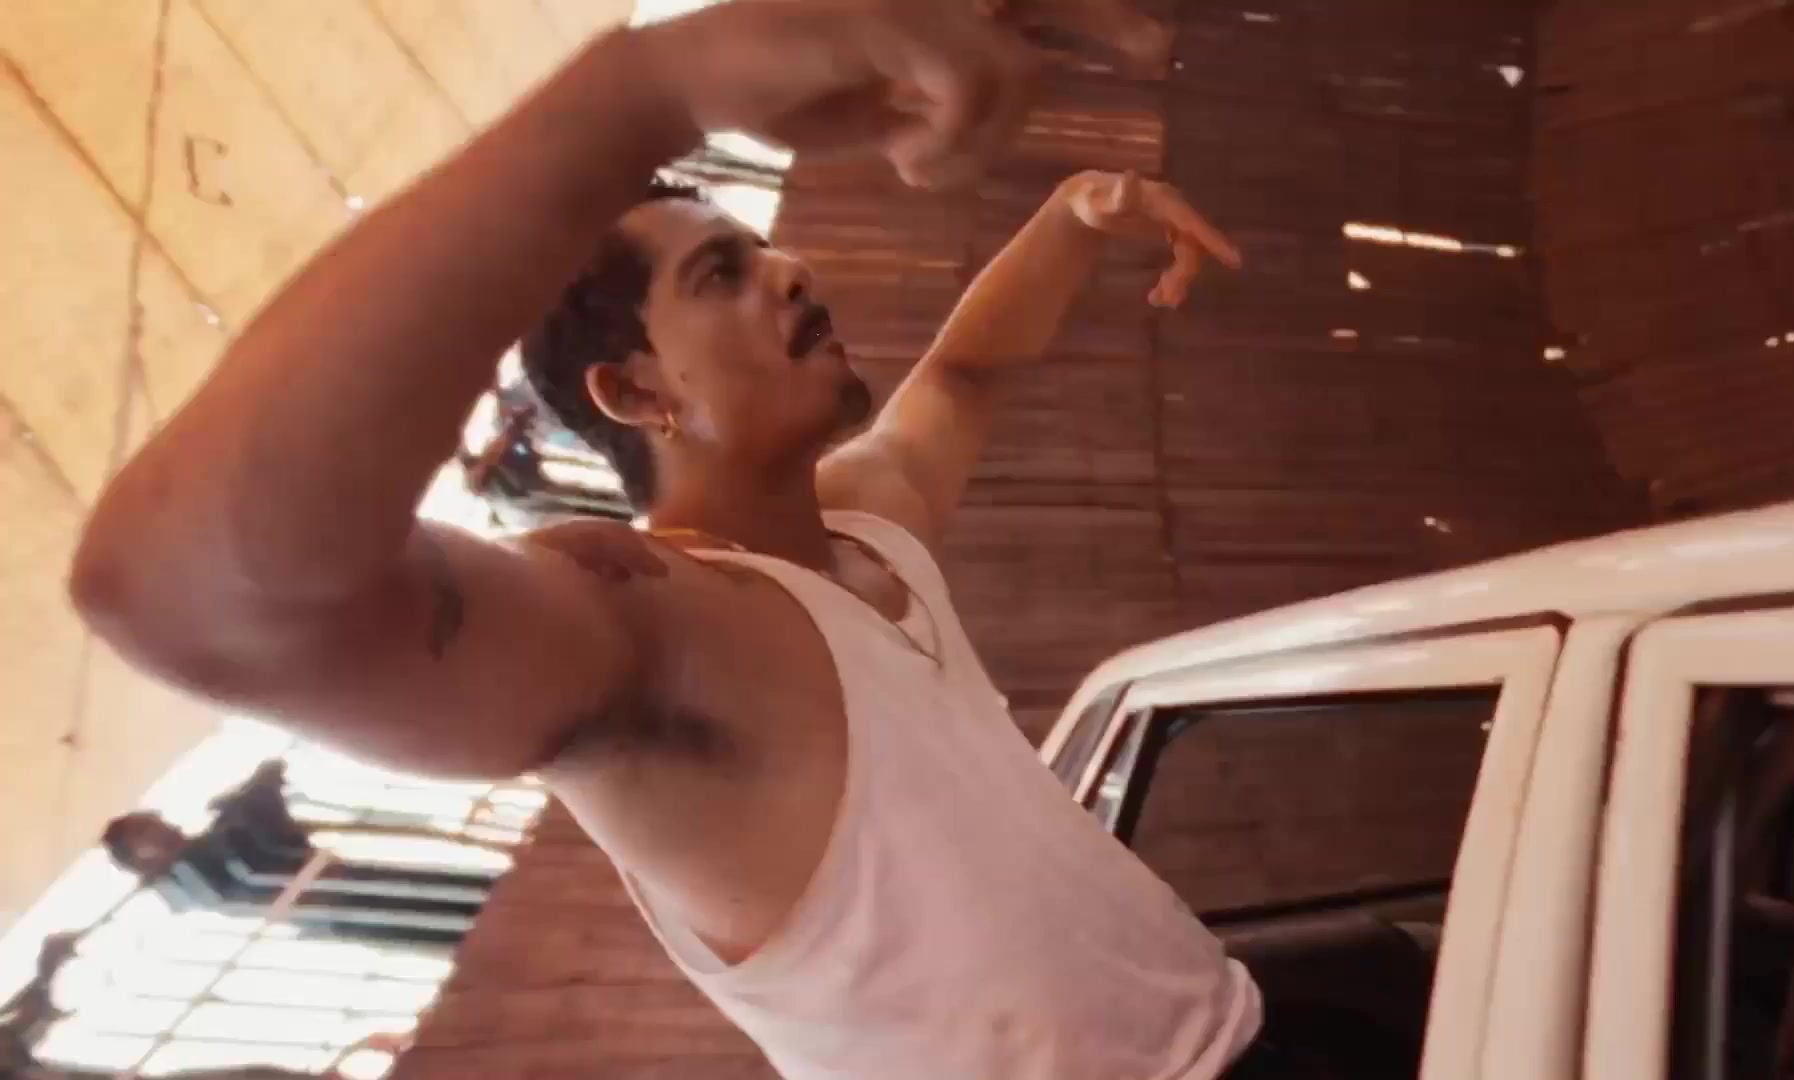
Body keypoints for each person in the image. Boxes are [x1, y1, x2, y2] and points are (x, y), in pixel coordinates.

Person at [70, 2, 1277, 1076]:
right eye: (721, 275)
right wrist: (644, 89)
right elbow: (187, 603)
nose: (790, 270)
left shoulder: (867, 523)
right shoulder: (644, 626)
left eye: (763, 250)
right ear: (636, 391)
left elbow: (962, 374)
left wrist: (1076, 213)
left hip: (1241, 1025)